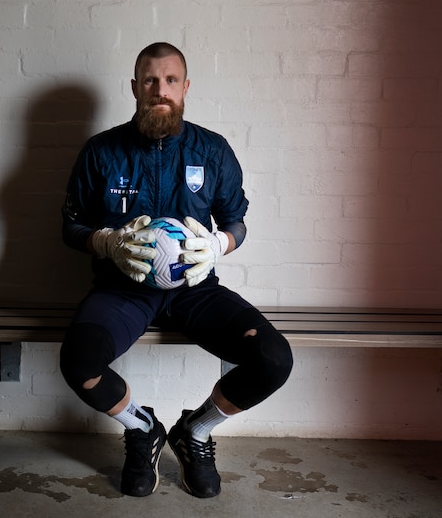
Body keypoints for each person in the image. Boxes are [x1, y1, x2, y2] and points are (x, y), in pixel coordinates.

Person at [59, 42, 293, 498]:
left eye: (169, 81)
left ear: (185, 88)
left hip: (194, 289)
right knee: (78, 362)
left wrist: (219, 244)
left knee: (273, 360)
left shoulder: (213, 150)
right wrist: (106, 242)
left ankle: (195, 433)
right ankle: (142, 428)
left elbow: (236, 221)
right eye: (149, 80)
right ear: (134, 88)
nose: (159, 90)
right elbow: (70, 227)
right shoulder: (101, 152)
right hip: (122, 288)